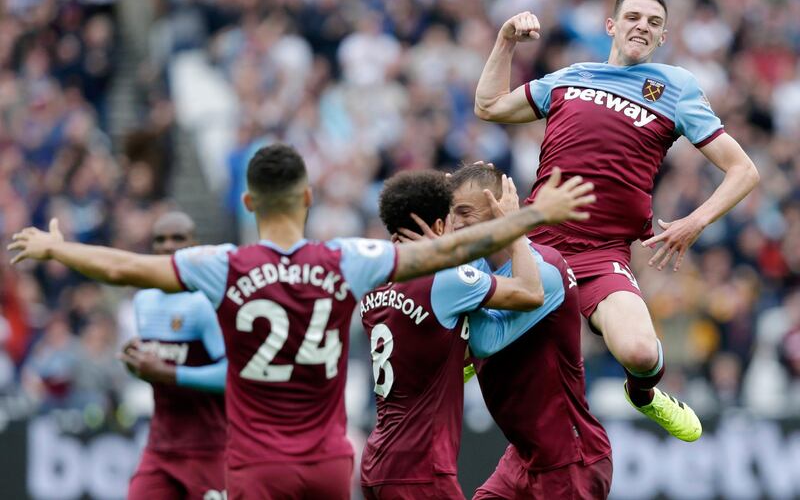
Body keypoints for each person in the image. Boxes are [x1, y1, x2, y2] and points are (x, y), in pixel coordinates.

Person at [8, 142, 594, 500]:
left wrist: (61, 251)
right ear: (309, 198)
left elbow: (129, 268)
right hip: (328, 463)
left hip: (259, 463)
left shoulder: (224, 265)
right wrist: (532, 215)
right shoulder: (347, 261)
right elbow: (444, 258)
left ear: (247, 204)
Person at [473, 0, 760, 441]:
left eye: (653, 22)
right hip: (537, 245)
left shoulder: (675, 86)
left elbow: (743, 170)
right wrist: (506, 40)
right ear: (612, 25)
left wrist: (695, 221)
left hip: (602, 254)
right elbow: (488, 106)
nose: (641, 27)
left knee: (642, 352)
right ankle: (470, 355)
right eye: (633, 17)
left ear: (662, 36)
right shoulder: (569, 77)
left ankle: (643, 395)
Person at [360, 169, 553, 499]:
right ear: (437, 227)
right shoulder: (445, 282)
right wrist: (515, 227)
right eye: (451, 220)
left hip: (377, 462)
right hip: (422, 470)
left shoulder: (372, 284)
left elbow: (440, 346)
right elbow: (531, 291)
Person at [449, 163, 612, 500]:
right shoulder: (477, 265)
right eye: (451, 213)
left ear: (498, 211)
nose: (454, 224)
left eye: (464, 212)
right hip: (524, 456)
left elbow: (481, 342)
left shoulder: (545, 274)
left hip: (568, 460)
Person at [120, 211, 227, 500]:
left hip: (209, 450)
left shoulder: (206, 302)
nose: (168, 246)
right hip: (160, 449)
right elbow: (158, 366)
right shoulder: (144, 301)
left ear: (195, 245)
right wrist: (137, 365)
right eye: (160, 239)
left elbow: (233, 376)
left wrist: (168, 373)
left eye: (177, 238)